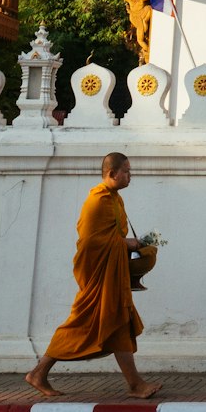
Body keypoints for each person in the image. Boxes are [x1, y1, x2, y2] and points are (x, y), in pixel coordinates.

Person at [25, 152, 159, 399]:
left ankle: (135, 384)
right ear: (111, 173)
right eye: (126, 171)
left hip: (111, 276)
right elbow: (89, 242)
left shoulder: (115, 199)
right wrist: (124, 244)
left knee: (119, 322)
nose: (130, 176)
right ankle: (38, 373)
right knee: (79, 325)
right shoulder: (98, 200)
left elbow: (111, 236)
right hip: (97, 277)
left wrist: (132, 246)